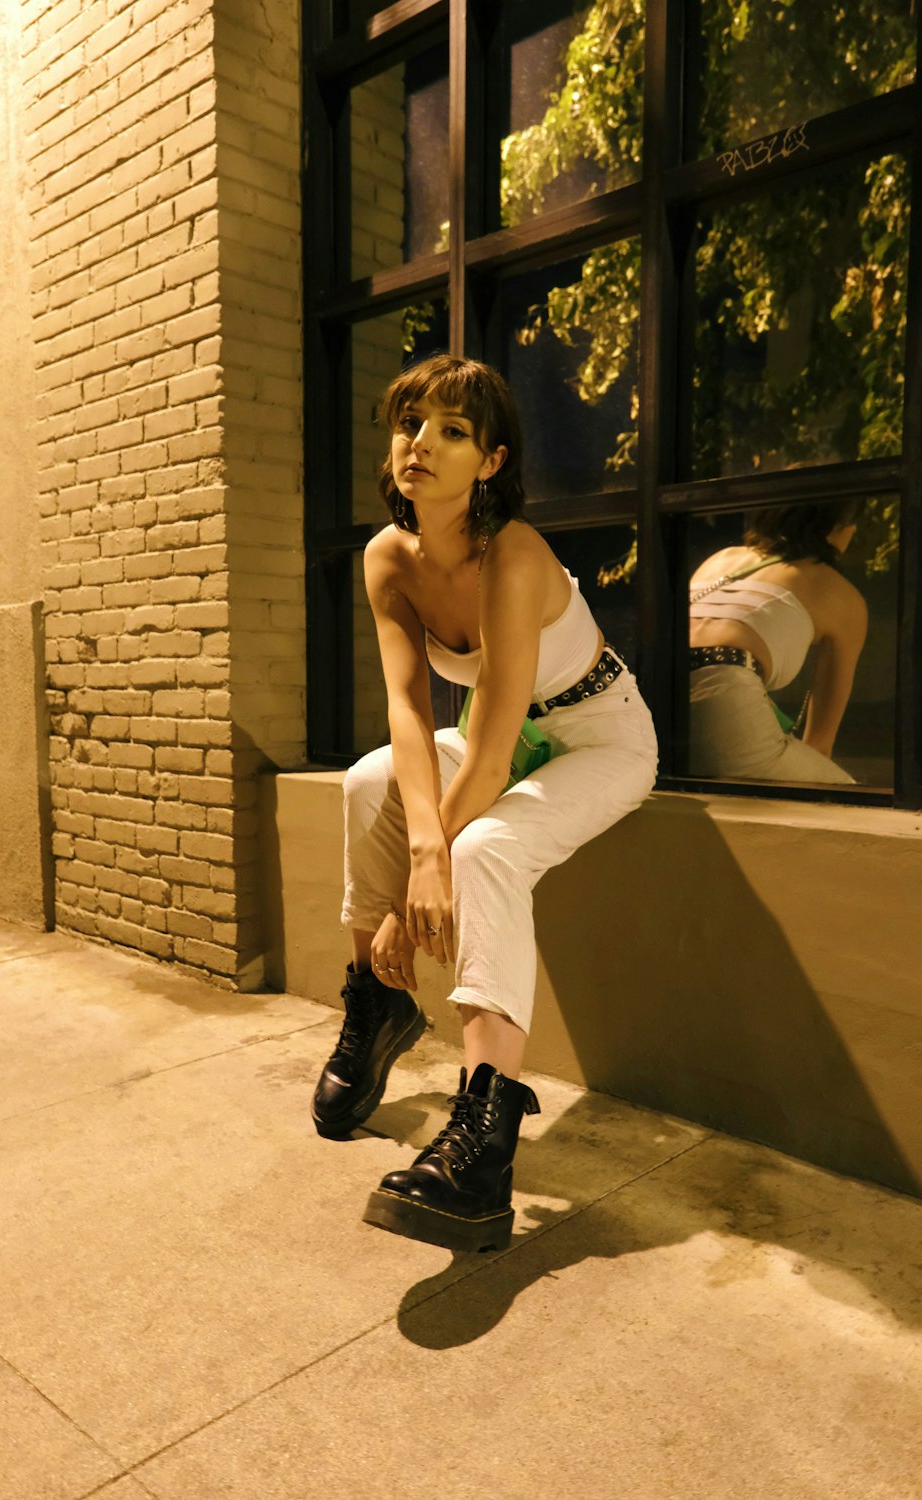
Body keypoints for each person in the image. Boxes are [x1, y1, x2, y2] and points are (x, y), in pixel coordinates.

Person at [310, 354, 658, 1253]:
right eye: (410, 422)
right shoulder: (389, 556)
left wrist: (420, 877)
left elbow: (495, 748)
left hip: (597, 735)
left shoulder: (514, 556)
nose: (421, 443)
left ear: (492, 462)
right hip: (510, 739)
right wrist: (403, 879)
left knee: (482, 849)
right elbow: (409, 711)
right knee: (367, 777)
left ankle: (483, 1144)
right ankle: (379, 1001)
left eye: (452, 431)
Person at [688, 501, 868, 783]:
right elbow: (820, 743)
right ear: (838, 528)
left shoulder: (720, 559)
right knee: (847, 795)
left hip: (657, 701)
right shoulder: (838, 592)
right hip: (724, 703)